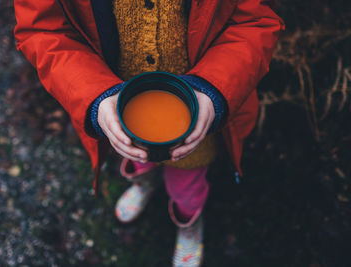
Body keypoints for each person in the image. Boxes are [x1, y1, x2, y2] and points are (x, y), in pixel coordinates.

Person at [14, 0, 284, 266]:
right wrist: (93, 95)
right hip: (120, 113)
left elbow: (253, 21)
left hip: (198, 120)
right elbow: (44, 30)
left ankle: (188, 222)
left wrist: (214, 89)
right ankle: (144, 184)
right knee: (136, 159)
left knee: (187, 187)